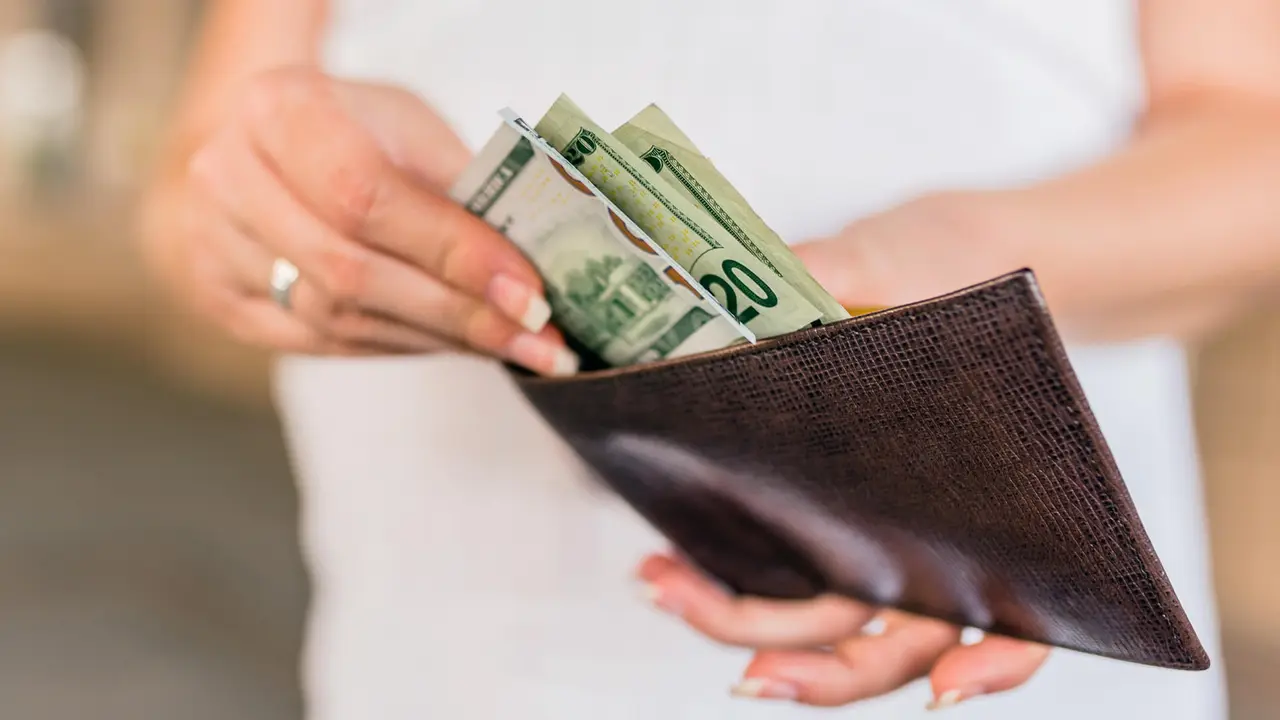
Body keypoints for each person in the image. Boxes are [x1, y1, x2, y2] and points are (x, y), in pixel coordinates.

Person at [138, 0, 1280, 716]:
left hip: (982, 656)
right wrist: (263, 219)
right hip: (440, 660)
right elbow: (193, 172)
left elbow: (1253, 135)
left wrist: (943, 286)